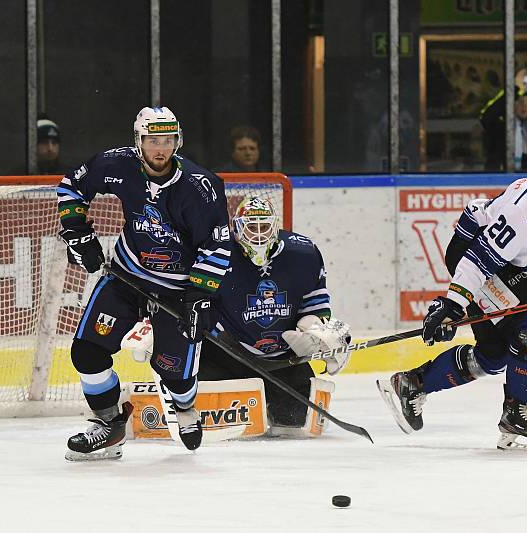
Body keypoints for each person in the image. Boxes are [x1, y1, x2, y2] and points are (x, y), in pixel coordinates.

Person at [377, 143, 527, 452]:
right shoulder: (524, 209)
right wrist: (453, 304)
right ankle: (517, 410)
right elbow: (480, 261)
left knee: (495, 356)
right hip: (474, 253)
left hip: (514, 271)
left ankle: (414, 383)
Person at [57, 106, 232, 460]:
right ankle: (108, 424)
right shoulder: (117, 165)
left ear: (177, 141)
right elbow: (72, 185)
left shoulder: (202, 187)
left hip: (178, 289)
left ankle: (184, 407)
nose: (160, 148)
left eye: (167, 140)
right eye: (152, 140)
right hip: (128, 274)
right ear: (138, 141)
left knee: (175, 375)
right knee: (87, 353)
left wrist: (200, 296)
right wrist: (78, 234)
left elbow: (216, 244)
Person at [197, 196, 350, 433]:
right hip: (227, 355)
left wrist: (313, 334)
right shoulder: (218, 253)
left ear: (275, 226)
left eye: (264, 226)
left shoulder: (303, 254)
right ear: (237, 227)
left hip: (283, 359)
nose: (258, 234)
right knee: (218, 426)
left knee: (295, 424)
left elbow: (314, 305)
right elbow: (194, 303)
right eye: (251, 227)